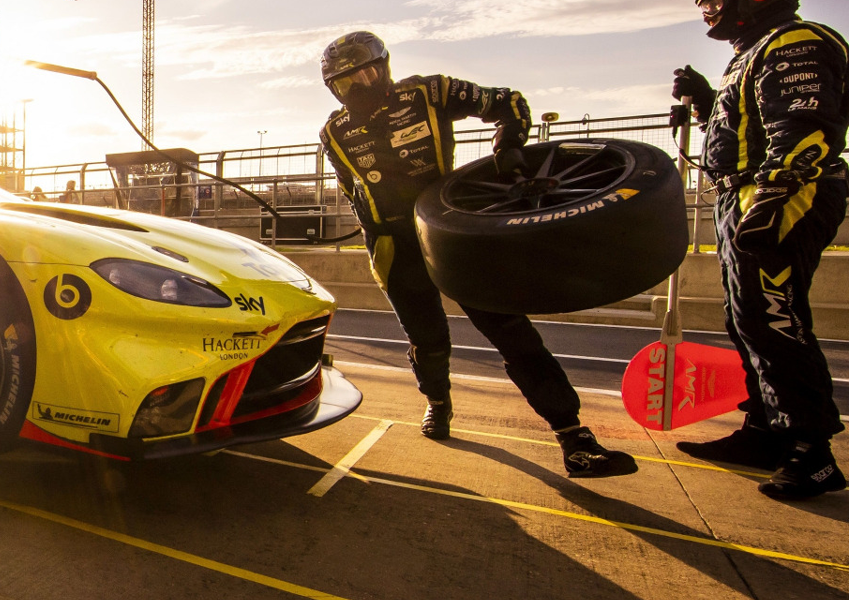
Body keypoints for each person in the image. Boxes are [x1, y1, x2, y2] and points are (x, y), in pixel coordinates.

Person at [317, 31, 638, 478]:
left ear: (385, 67)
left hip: (450, 232)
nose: (359, 87)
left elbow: (510, 103)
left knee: (509, 328)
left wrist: (508, 149)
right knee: (427, 340)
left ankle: (573, 435)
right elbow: (351, 188)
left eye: (366, 73)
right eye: (345, 83)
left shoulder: (429, 91)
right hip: (392, 246)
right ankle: (437, 403)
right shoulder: (334, 131)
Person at [669, 0, 845, 500]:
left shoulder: (795, 42)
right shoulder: (751, 54)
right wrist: (706, 104)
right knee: (745, 317)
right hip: (742, 193)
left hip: (786, 192)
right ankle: (766, 431)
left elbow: (805, 128)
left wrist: (773, 198)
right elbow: (744, 134)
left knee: (773, 314)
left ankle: (811, 452)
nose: (705, 6)